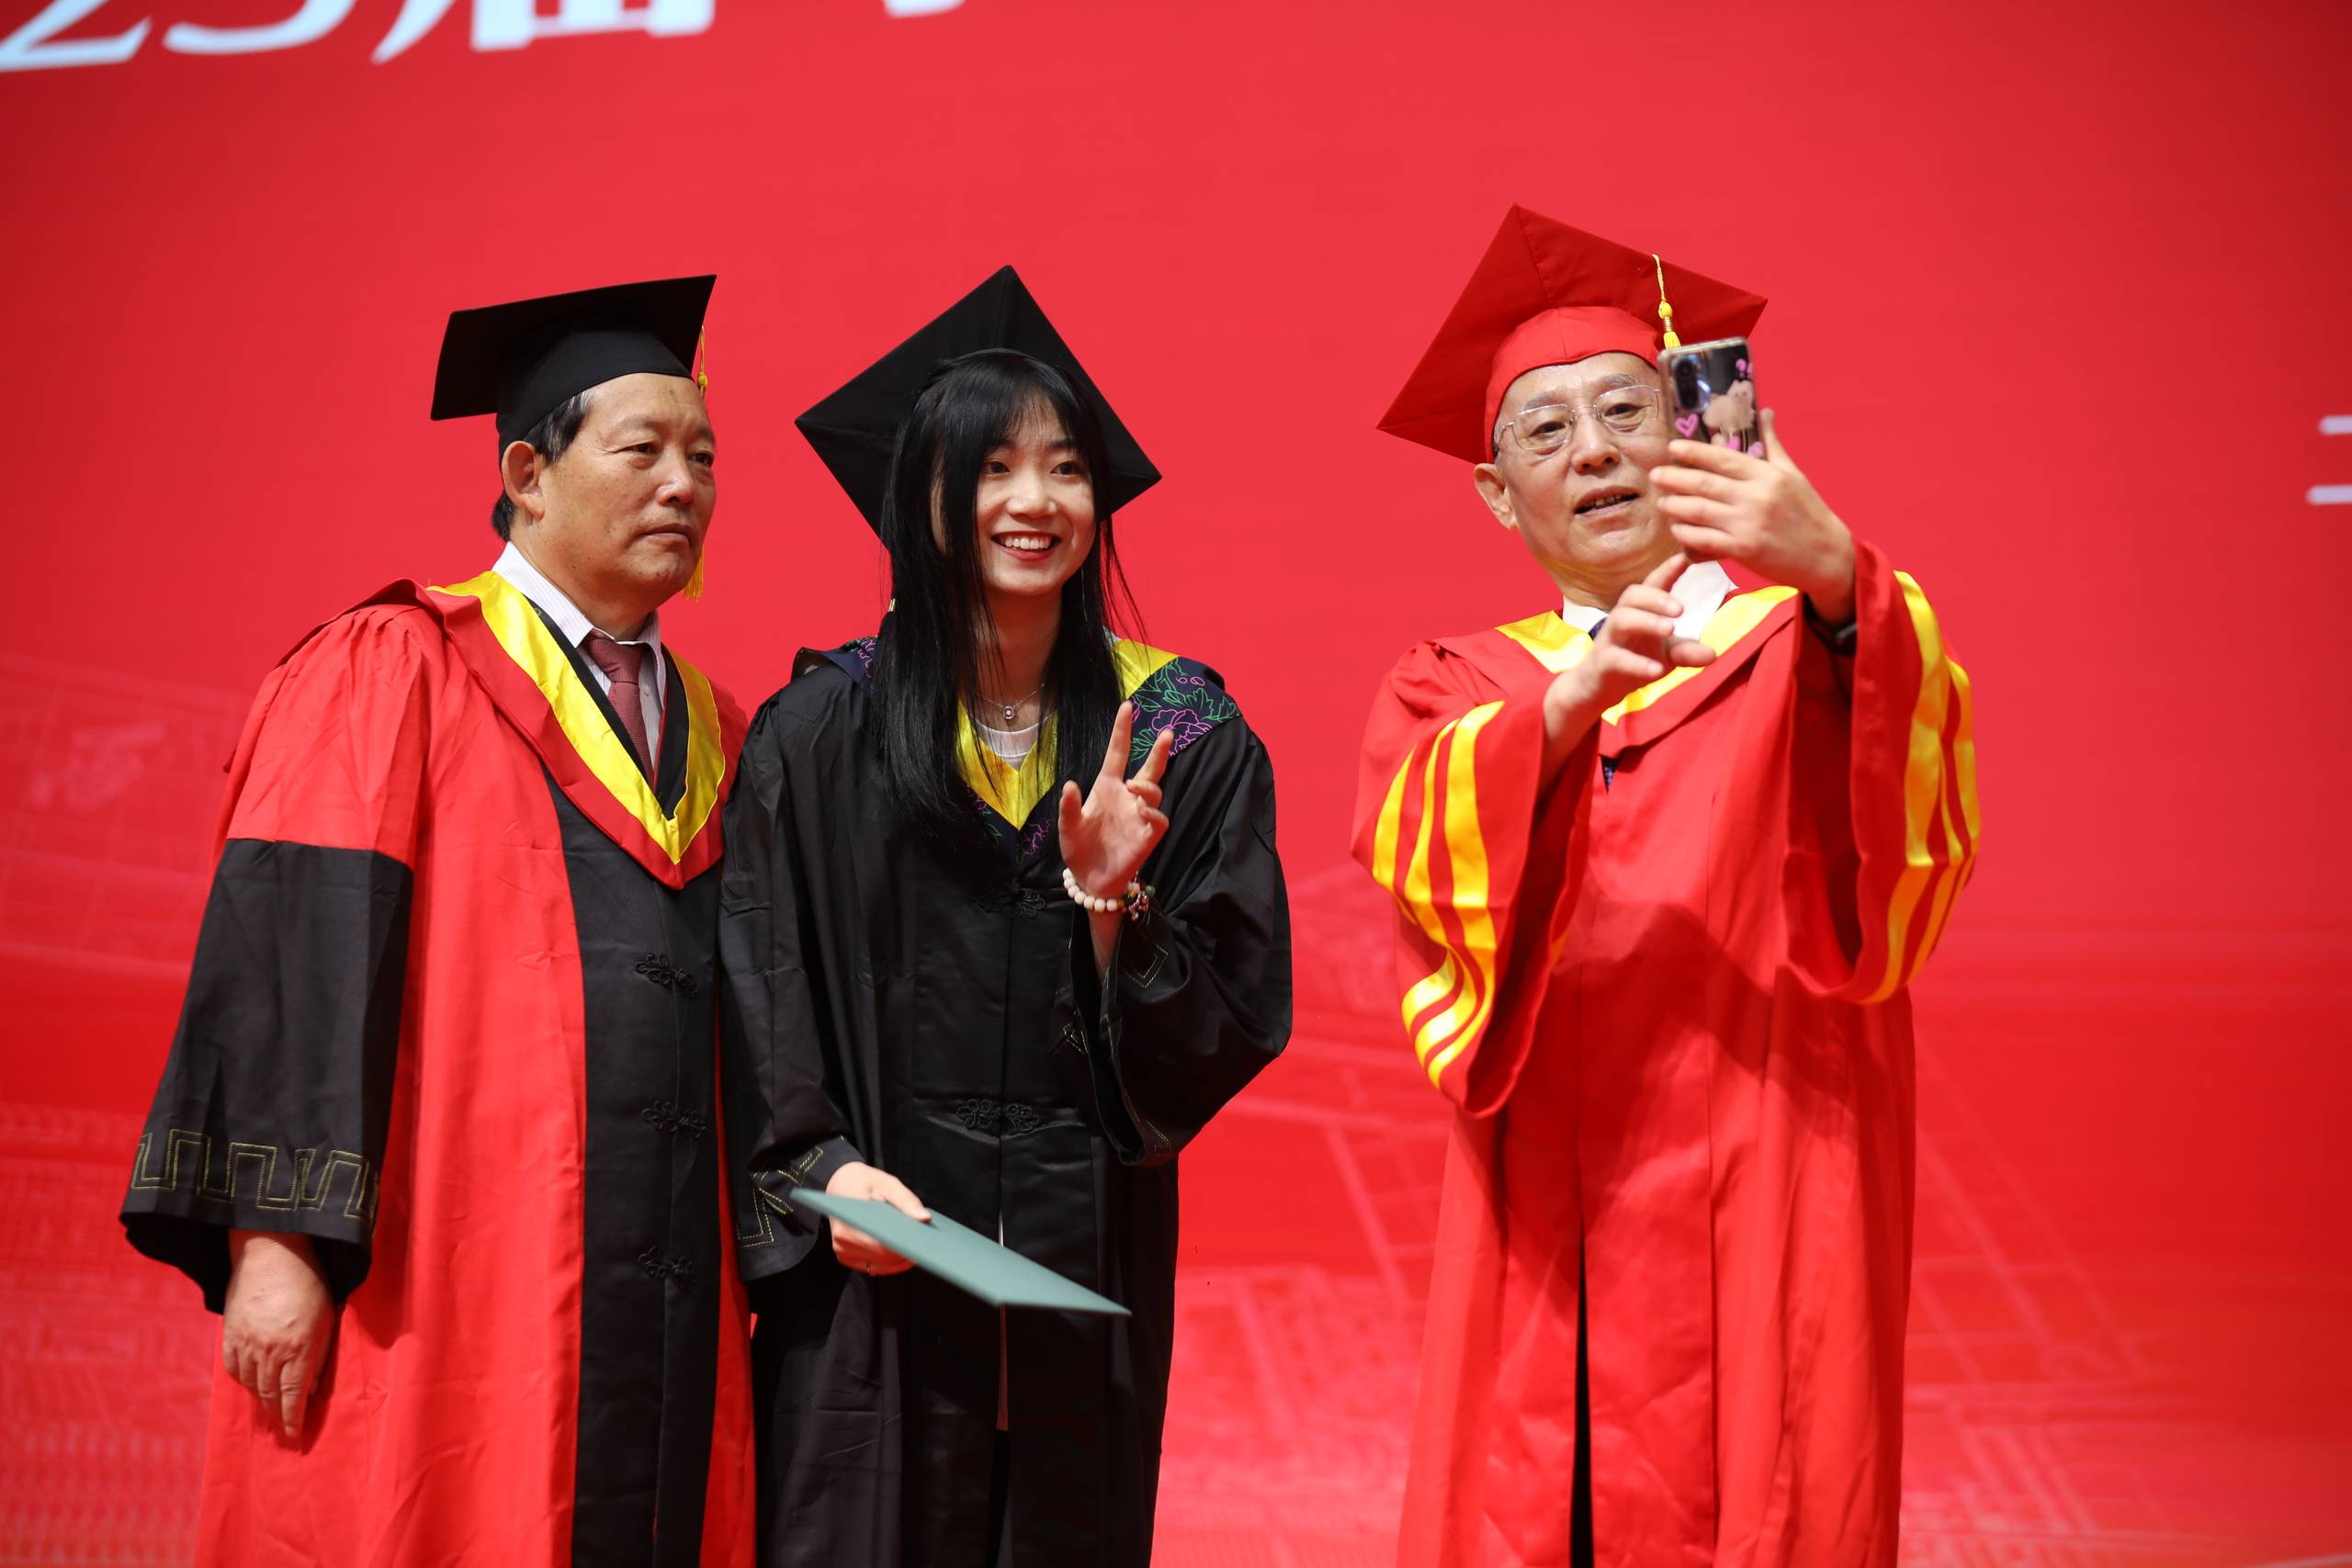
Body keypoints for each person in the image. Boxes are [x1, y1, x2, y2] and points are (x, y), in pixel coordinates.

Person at [1354, 208, 1980, 1566]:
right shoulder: (1457, 688)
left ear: (1693, 433)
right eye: (1545, 431)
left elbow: (1907, 831)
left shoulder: (1811, 640)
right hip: (1550, 1226)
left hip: (1773, 1180)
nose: (1592, 451)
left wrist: (1835, 577)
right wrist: (1565, 704)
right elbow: (1414, 848)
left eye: (1626, 410)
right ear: (1496, 494)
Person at [119, 276, 755, 1566]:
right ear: (528, 475)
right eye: (642, 449)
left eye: (703, 458)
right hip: (450, 1265)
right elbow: (295, 952)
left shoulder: (722, 728)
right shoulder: (393, 665)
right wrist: (276, 1241)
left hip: (667, 1279)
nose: (683, 485)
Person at [718, 266, 1292, 1566]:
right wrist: (820, 1173)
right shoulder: (821, 734)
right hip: (874, 1270)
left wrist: (1112, 905)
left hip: (1078, 1273)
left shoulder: (1182, 734)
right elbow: (761, 982)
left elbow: (1231, 1007)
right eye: (992, 468)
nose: (1035, 501)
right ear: (921, 499)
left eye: (1066, 468)